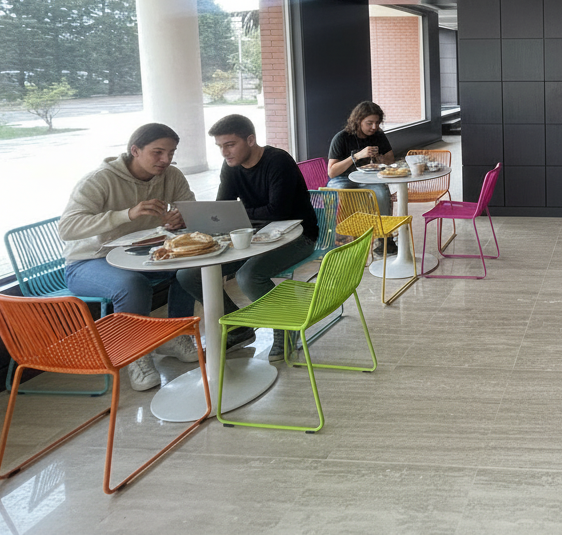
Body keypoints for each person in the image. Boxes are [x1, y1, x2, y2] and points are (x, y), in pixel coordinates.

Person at [59, 123, 204, 392]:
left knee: (189, 268)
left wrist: (181, 218)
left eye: (171, 153)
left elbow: (191, 208)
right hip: (88, 261)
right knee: (131, 284)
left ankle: (176, 335)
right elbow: (67, 228)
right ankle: (136, 354)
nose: (166, 160)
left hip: (139, 254)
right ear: (135, 150)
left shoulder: (171, 176)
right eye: (158, 152)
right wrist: (127, 214)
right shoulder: (100, 180)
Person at [179, 114, 316, 361]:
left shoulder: (278, 161)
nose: (224, 152)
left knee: (248, 275)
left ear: (250, 140)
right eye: (220, 146)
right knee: (188, 274)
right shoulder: (231, 166)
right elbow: (223, 207)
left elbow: (278, 211)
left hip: (299, 236)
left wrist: (238, 214)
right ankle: (238, 328)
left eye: (230, 145)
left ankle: (284, 327)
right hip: (252, 237)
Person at [326, 101, 396, 214]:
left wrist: (381, 160)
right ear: (358, 121)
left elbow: (391, 160)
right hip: (343, 178)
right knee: (339, 192)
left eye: (377, 123)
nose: (374, 127)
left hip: (369, 177)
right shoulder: (342, 138)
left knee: (382, 193)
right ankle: (339, 225)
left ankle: (384, 224)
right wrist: (356, 156)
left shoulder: (379, 135)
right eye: (369, 123)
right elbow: (332, 172)